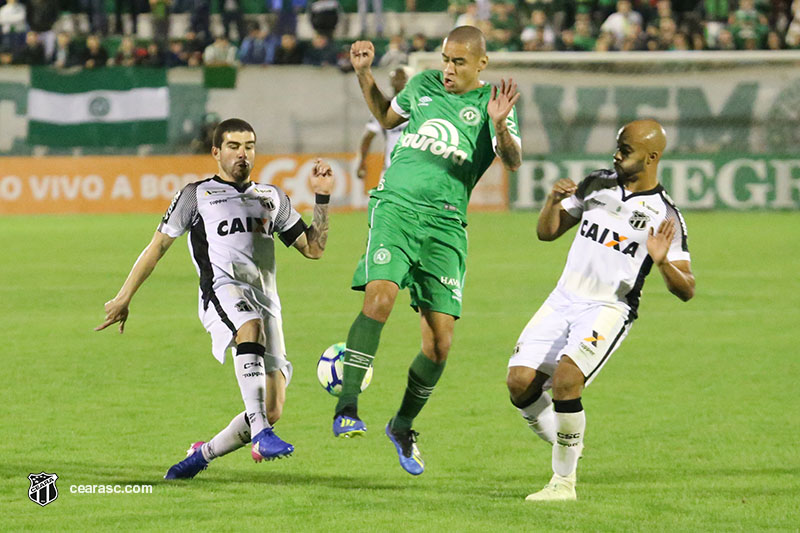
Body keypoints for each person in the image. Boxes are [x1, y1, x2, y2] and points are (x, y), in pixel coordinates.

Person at [96, 118, 334, 479]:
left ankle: (201, 454)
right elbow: (157, 246)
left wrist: (322, 197)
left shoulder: (271, 198)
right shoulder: (196, 194)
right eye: (234, 147)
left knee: (272, 407)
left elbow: (314, 249)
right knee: (249, 328)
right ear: (216, 152)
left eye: (249, 146)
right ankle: (261, 436)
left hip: (267, 302)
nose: (243, 154)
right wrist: (124, 296)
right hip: (220, 292)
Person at [336, 26, 521, 475]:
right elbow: (384, 117)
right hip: (397, 205)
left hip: (445, 224)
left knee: (440, 344)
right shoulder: (421, 87)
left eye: (459, 62)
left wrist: (499, 123)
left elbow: (512, 159)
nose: (448, 69)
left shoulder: (491, 106)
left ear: (481, 64)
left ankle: (402, 425)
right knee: (380, 296)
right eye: (445, 59)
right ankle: (347, 407)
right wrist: (363, 73)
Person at [506, 119, 695, 501]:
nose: (617, 154)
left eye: (626, 151)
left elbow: (687, 289)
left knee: (565, 381)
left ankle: (563, 482)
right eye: (617, 147)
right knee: (519, 384)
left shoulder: (666, 214)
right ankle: (569, 441)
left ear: (652, 157)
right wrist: (551, 203)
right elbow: (548, 233)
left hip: (608, 308)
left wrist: (662, 263)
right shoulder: (596, 183)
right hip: (562, 298)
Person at [355, 66, 409, 181]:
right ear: (391, 82)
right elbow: (368, 137)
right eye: (396, 79)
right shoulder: (384, 108)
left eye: (402, 79)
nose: (399, 82)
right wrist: (362, 161)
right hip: (391, 168)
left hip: (412, 170)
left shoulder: (416, 107)